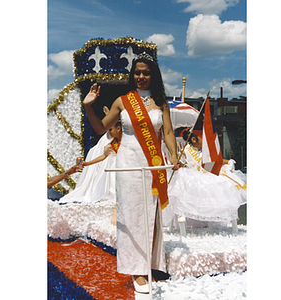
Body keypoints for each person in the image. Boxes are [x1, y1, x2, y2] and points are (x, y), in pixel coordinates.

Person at [83, 52, 180, 294]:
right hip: (128, 164)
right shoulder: (122, 101)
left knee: (150, 214)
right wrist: (89, 107)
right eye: (137, 72)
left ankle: (151, 264)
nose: (141, 76)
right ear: (132, 74)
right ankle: (136, 269)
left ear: (153, 75)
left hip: (153, 164)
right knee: (131, 214)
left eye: (146, 72)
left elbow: (168, 133)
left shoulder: (161, 103)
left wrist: (175, 157)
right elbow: (100, 128)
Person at [164, 128, 247, 226]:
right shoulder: (186, 151)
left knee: (222, 183)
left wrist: (228, 161)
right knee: (194, 185)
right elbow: (180, 164)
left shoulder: (203, 152)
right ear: (194, 140)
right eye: (202, 138)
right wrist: (180, 161)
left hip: (206, 175)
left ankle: (216, 215)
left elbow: (215, 161)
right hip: (192, 177)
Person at [58, 119, 122, 204]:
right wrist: (87, 163)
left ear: (118, 128)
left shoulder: (127, 141)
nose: (109, 133)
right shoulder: (112, 144)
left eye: (110, 130)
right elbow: (103, 156)